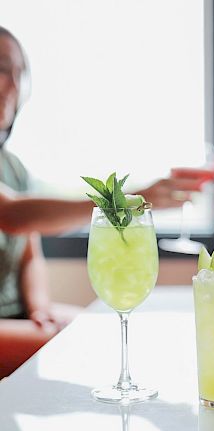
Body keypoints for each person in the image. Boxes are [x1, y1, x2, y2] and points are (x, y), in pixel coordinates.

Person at [0, 26, 197, 378]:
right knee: (92, 345)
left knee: (101, 329)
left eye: (19, 73)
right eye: (1, 68)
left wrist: (40, 307)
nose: (13, 85)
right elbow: (13, 214)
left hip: (16, 319)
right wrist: (129, 200)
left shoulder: (11, 166)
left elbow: (29, 252)